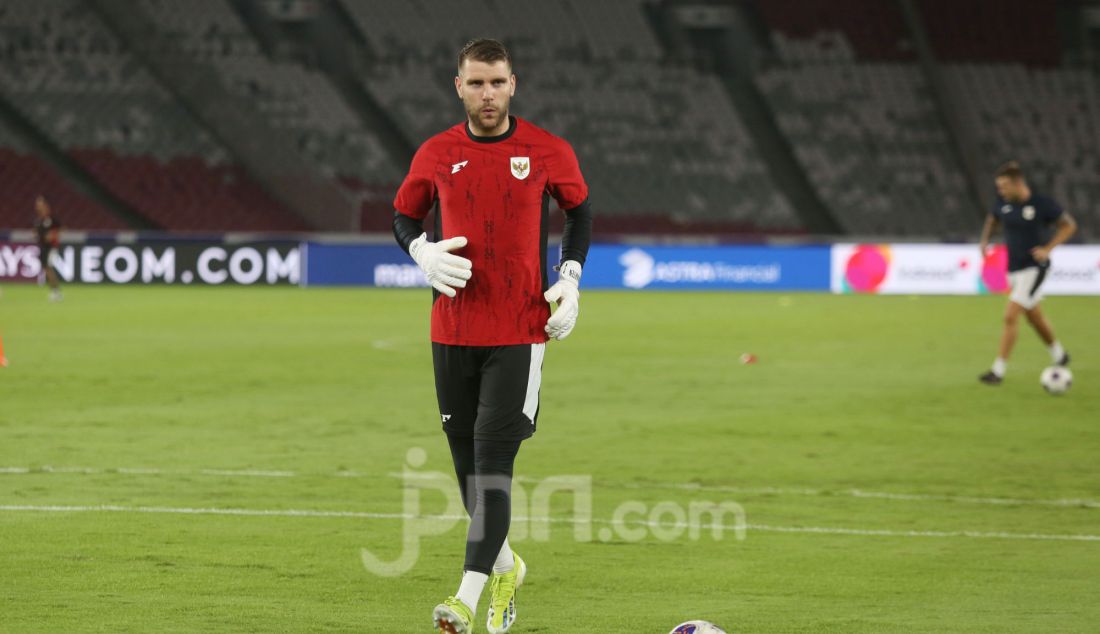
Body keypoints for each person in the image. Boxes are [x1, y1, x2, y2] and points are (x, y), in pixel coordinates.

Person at [391, 38, 592, 633]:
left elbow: (580, 212)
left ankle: (464, 598)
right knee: (465, 473)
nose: (487, 94)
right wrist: (420, 250)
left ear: (513, 84)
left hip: (519, 329)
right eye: (476, 83)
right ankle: (507, 569)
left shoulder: (547, 150)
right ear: (458, 86)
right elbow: (403, 214)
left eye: (497, 82)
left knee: (492, 463)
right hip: (451, 328)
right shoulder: (435, 153)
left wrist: (571, 277)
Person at [978, 161, 1076, 384]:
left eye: (1004, 187)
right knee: (1034, 316)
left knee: (1010, 315)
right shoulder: (1003, 204)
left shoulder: (1042, 204)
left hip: (1035, 268)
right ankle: (1060, 355)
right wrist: (985, 240)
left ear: (1018, 184)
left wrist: (1048, 249)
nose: (1000, 191)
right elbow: (992, 218)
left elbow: (1069, 225)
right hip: (1014, 269)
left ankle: (998, 371)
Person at [33, 196, 63, 302]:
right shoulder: (38, 221)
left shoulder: (52, 219)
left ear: (46, 206)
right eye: (37, 205)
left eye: (40, 204)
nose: (38, 207)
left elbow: (60, 229)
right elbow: (36, 233)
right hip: (43, 247)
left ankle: (56, 292)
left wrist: (53, 235)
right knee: (46, 268)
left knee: (48, 267)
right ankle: (54, 291)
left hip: (51, 247)